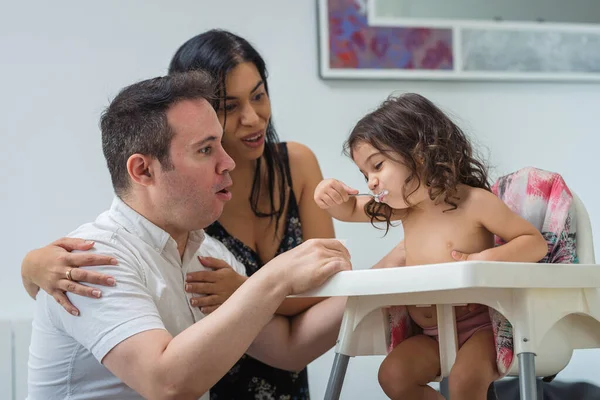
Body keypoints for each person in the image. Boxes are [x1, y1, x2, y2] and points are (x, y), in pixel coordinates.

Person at [21, 30, 335, 399]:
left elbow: (289, 348)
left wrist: (391, 272)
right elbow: (166, 384)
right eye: (205, 149)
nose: (228, 161)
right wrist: (271, 280)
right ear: (143, 171)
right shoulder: (90, 262)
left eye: (219, 144)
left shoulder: (209, 255)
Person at [313, 93, 548, 400]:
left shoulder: (475, 203)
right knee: (393, 376)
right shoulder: (404, 209)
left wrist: (483, 259)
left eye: (377, 165)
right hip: (432, 335)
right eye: (364, 174)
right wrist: (327, 196)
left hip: (481, 329)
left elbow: (534, 244)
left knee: (464, 382)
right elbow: (349, 211)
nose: (371, 182)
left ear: (419, 153)